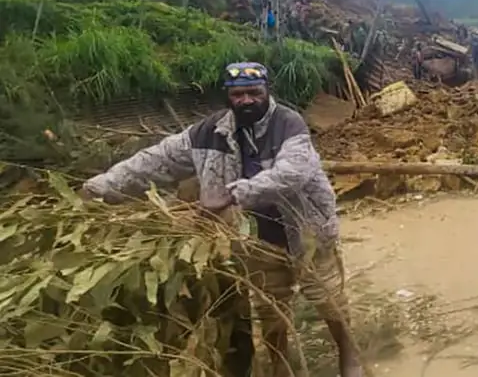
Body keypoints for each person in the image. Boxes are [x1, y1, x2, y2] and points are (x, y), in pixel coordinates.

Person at [81, 62, 362, 377]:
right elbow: (155, 160)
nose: (246, 100)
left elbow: (293, 173)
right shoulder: (206, 133)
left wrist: (235, 195)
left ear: (267, 91)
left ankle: (349, 356)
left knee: (328, 297)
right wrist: (102, 186)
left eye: (254, 92)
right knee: (270, 307)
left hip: (306, 229)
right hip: (253, 238)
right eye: (238, 93)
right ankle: (281, 365)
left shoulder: (289, 124)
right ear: (227, 96)